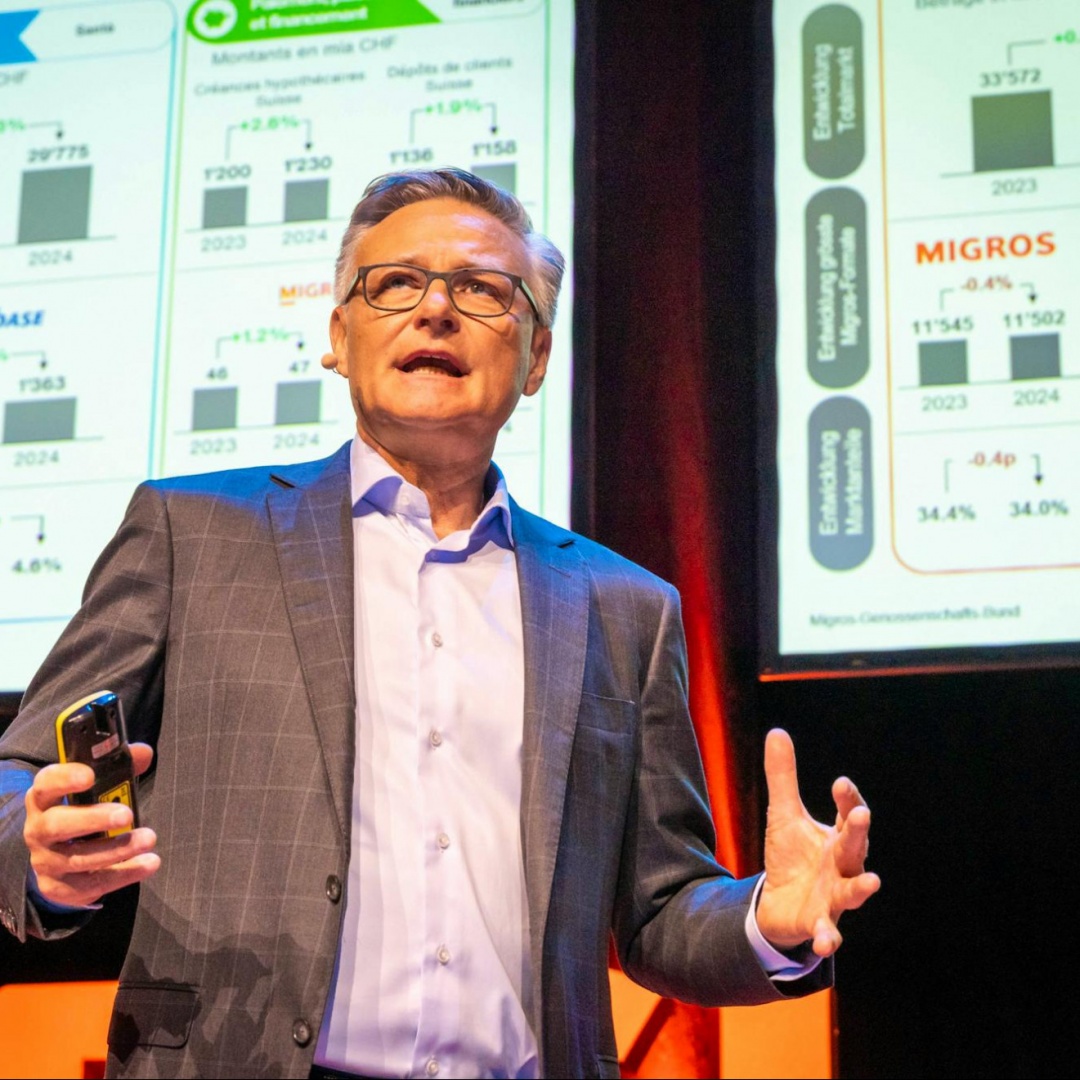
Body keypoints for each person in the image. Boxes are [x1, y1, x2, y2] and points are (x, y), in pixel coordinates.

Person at [0, 168, 879, 1079]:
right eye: (394, 284)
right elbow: (15, 775)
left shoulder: (624, 608)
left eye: (483, 291)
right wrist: (37, 849)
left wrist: (769, 921)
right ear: (339, 337)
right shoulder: (194, 534)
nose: (435, 311)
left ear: (536, 359)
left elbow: (658, 913)